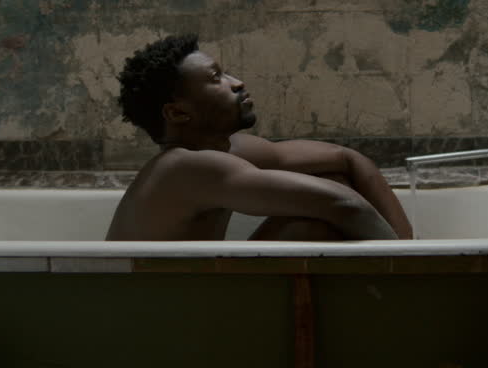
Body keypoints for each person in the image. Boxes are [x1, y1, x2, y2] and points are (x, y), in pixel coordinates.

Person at [106, 34, 412, 241]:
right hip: (158, 322)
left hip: (200, 302)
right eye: (216, 79)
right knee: (312, 222)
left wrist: (410, 247)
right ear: (177, 113)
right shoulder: (181, 168)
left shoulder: (228, 152)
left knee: (332, 183)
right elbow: (346, 206)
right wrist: (409, 270)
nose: (237, 83)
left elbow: (347, 160)